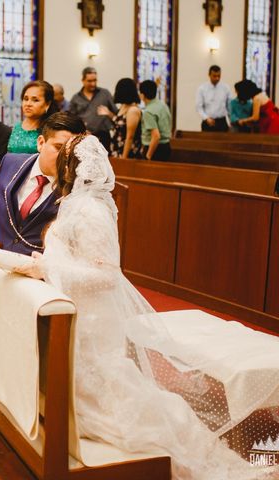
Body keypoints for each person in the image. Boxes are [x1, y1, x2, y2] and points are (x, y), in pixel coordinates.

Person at [15, 133, 279, 480]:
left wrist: (46, 268)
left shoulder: (91, 210)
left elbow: (106, 276)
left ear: (73, 167)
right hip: (80, 311)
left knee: (118, 397)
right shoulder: (74, 204)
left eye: (64, 158)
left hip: (95, 319)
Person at [0, 112, 86, 255]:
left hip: (40, 272)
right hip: (0, 264)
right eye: (58, 148)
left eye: (73, 151)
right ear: (41, 143)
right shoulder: (10, 162)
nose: (66, 157)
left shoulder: (78, 187)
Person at [68, 67, 117, 150]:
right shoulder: (76, 98)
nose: (93, 84)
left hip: (103, 137)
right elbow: (71, 120)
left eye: (95, 80)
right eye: (90, 81)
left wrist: (108, 113)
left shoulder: (105, 93)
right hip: (83, 137)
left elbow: (117, 115)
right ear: (83, 80)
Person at [7, 80, 59, 154]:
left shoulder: (51, 131)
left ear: (47, 104)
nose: (28, 104)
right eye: (26, 99)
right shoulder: (15, 128)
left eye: (35, 100)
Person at [97, 78, 142, 158]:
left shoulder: (133, 110)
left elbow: (130, 137)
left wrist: (123, 158)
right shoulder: (123, 106)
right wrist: (108, 113)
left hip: (127, 152)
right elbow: (120, 122)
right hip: (116, 148)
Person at [139, 80, 172, 161]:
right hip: (166, 146)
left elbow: (156, 136)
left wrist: (148, 156)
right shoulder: (163, 105)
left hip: (155, 149)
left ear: (142, 95)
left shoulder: (148, 112)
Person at [196, 65, 232, 132]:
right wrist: (206, 118)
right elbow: (199, 107)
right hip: (208, 121)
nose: (217, 78)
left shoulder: (226, 88)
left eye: (219, 76)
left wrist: (231, 121)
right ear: (209, 75)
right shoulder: (202, 89)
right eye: (214, 76)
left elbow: (229, 106)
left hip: (222, 122)